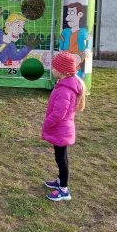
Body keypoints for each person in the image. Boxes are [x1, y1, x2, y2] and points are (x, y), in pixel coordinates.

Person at [42, 51, 86, 202]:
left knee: (62, 159)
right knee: (60, 157)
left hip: (61, 130)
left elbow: (58, 114)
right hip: (61, 130)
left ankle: (64, 190)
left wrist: (47, 124)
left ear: (61, 70)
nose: (52, 69)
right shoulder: (64, 85)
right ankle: (61, 181)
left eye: (53, 67)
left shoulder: (65, 90)